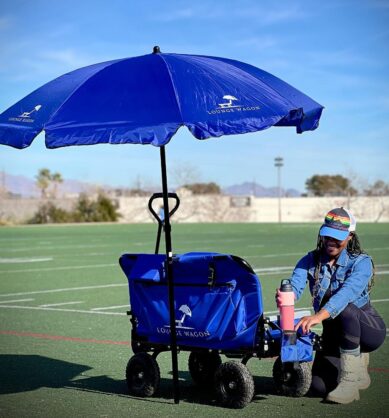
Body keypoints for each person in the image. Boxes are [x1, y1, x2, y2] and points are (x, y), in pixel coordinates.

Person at [277, 207, 386, 404]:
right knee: (318, 387)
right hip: (334, 332)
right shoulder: (310, 260)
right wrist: (286, 295)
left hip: (367, 330)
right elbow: (296, 286)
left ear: (350, 236)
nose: (331, 242)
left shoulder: (362, 262)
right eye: (327, 236)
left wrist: (317, 316)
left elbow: (345, 295)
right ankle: (356, 366)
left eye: (337, 237)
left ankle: (351, 380)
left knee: (344, 307)